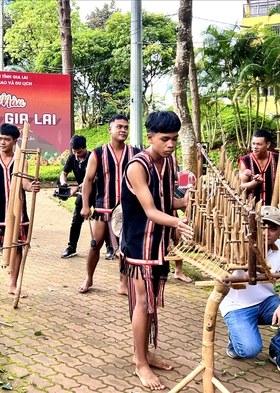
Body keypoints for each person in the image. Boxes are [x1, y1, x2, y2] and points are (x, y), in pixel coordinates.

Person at [120, 111, 194, 390]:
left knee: (151, 304)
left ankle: (145, 354)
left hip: (159, 243)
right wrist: (178, 222)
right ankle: (140, 363)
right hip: (139, 243)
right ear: (149, 137)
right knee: (143, 302)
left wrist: (187, 200)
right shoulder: (137, 166)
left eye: (174, 139)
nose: (171, 144)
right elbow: (151, 211)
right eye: (165, 139)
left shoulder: (170, 161)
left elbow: (166, 201)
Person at [222, 205, 280, 375]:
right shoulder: (236, 243)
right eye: (262, 225)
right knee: (248, 350)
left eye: (273, 228)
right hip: (237, 306)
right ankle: (235, 338)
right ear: (252, 225)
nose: (266, 231)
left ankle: (278, 351)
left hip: (266, 303)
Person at [79, 114, 140, 294]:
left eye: (126, 127)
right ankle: (89, 277)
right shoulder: (98, 153)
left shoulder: (136, 153)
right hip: (102, 207)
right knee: (95, 245)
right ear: (110, 129)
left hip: (128, 209)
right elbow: (88, 180)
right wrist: (84, 205)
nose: (123, 130)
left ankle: (123, 284)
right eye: (119, 126)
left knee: (126, 247)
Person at [0, 123, 41, 302]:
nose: (2, 142)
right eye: (0, 138)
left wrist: (32, 187)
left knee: (17, 247)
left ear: (15, 141)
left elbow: (25, 184)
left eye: (7, 139)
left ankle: (13, 284)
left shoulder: (22, 161)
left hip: (18, 213)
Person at [59, 134, 115, 259]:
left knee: (103, 220)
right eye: (75, 152)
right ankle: (71, 247)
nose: (77, 154)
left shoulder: (93, 157)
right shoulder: (72, 158)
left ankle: (110, 248)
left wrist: (77, 188)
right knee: (76, 220)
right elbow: (64, 173)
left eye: (80, 152)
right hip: (84, 194)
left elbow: (91, 179)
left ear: (85, 148)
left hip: (99, 194)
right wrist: (63, 184)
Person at [239, 130, 280, 205]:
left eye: (259, 144)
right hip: (250, 207)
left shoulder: (277, 158)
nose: (255, 147)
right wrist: (255, 182)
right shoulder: (245, 160)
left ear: (268, 144)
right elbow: (242, 186)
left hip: (272, 206)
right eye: (253, 144)